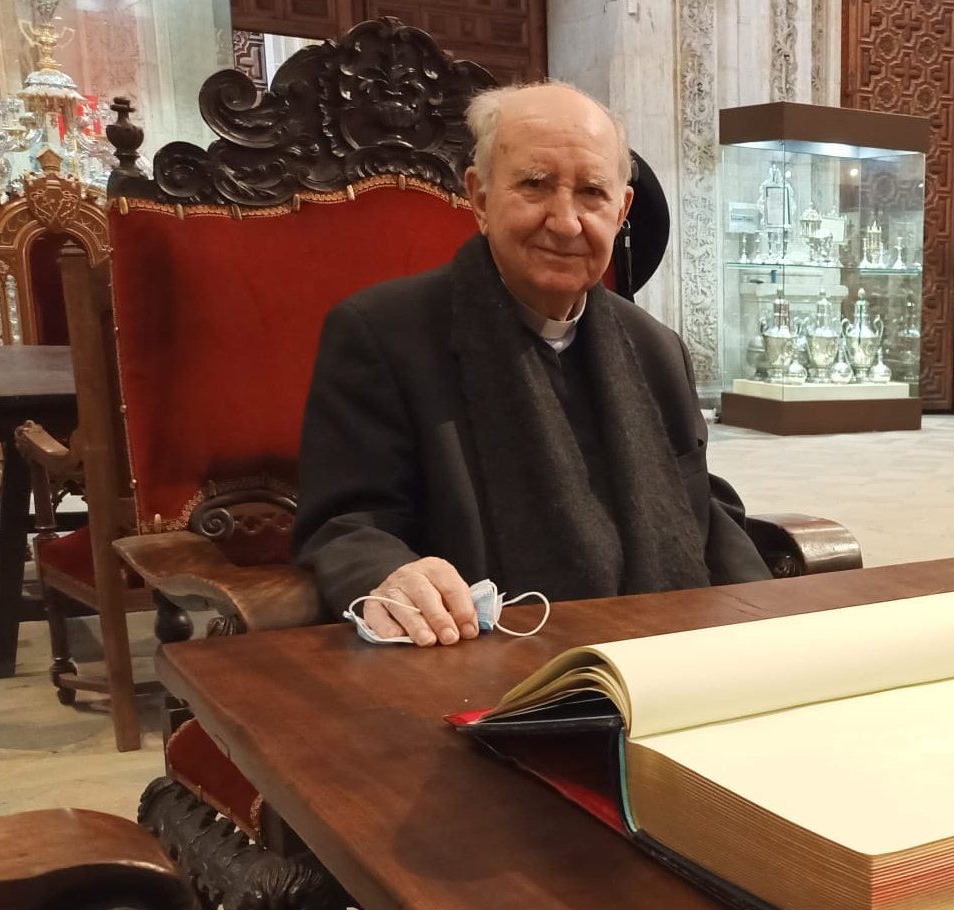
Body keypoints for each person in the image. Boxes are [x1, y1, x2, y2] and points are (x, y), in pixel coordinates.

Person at [290, 82, 770, 647]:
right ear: (480, 198)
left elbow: (699, 513)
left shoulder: (656, 349)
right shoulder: (381, 334)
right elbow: (347, 523)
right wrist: (394, 575)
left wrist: (777, 622)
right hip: (477, 662)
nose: (565, 222)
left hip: (655, 658)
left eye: (592, 192)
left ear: (621, 211)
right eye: (535, 185)